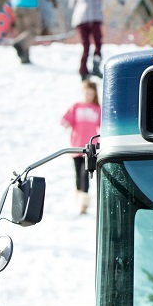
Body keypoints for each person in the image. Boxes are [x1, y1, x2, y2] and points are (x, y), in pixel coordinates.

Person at [66, 0, 122, 79]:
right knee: (97, 44)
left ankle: (83, 70)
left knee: (85, 45)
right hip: (94, 18)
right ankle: (96, 67)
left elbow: (71, 4)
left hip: (80, 19)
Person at [60, 79, 101, 214]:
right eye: (86, 93)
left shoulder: (97, 109)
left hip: (89, 149)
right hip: (76, 147)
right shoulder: (76, 107)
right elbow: (66, 119)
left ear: (94, 94)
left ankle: (84, 202)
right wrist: (65, 123)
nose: (88, 96)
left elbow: (103, 125)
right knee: (78, 174)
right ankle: (78, 199)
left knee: (85, 173)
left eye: (91, 94)